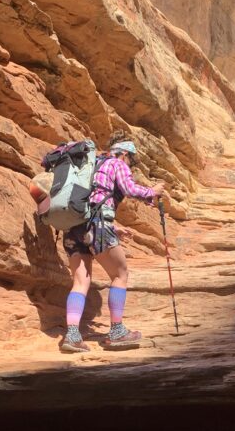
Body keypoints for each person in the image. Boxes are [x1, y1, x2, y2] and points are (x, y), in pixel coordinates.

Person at [60, 131, 165, 353]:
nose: (131, 164)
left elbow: (91, 203)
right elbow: (129, 189)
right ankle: (117, 332)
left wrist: (115, 226)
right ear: (125, 153)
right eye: (132, 160)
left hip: (73, 228)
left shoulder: (91, 165)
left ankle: (72, 336)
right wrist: (152, 191)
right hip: (97, 227)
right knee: (120, 274)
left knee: (80, 281)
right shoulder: (116, 163)